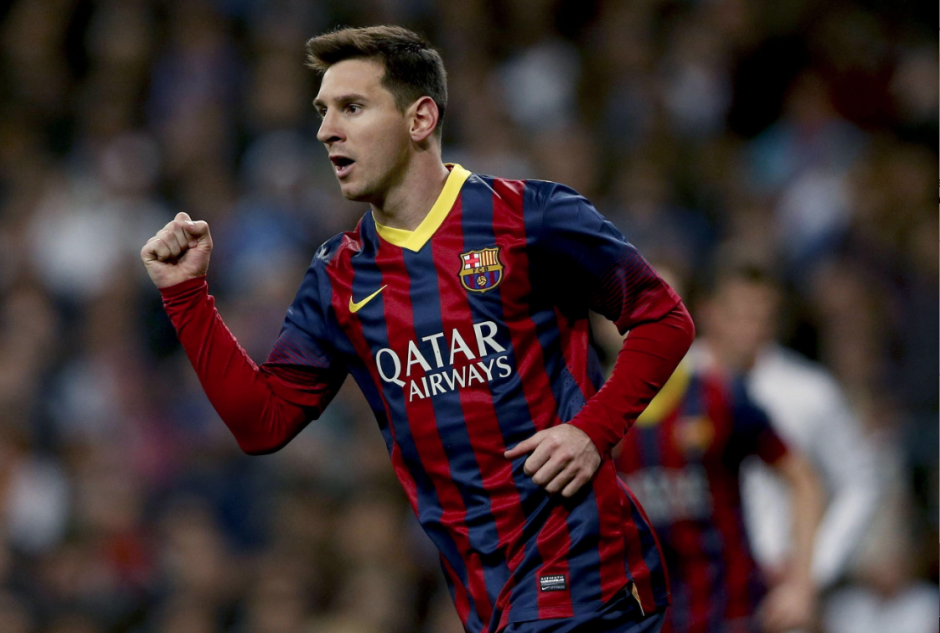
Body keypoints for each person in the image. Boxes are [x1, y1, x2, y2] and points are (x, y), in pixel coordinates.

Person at [140, 26, 695, 633]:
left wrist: (593, 430)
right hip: (485, 593)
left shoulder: (531, 217)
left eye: (352, 108)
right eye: (323, 112)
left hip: (584, 569)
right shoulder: (338, 278)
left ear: (420, 118)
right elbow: (263, 421)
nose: (327, 130)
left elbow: (662, 317)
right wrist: (186, 295)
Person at [614, 279, 825, 633]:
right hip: (646, 621)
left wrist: (802, 586)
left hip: (732, 615)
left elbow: (802, 478)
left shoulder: (722, 397)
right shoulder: (585, 416)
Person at [703, 266, 879, 604]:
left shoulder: (810, 392)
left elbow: (860, 481)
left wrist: (813, 572)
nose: (748, 328)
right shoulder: (672, 386)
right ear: (709, 311)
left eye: (760, 316)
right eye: (737, 314)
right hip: (695, 586)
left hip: (778, 587)